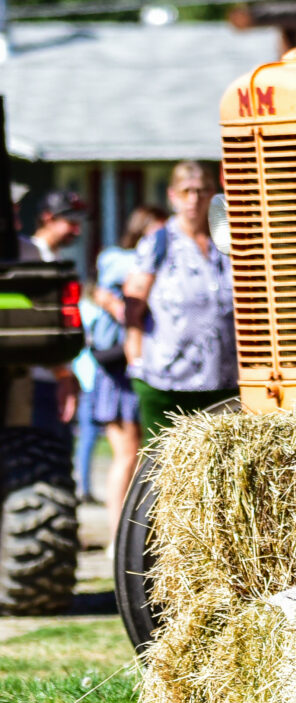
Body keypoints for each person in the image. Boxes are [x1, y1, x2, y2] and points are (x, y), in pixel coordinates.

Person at [120, 164, 235, 441]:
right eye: (186, 192)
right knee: (166, 470)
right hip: (168, 383)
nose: (194, 199)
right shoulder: (158, 242)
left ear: (213, 194)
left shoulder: (229, 240)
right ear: (173, 196)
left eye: (202, 191)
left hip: (224, 379)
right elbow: (133, 308)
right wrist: (135, 362)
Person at [77, 206, 159, 506]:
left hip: (137, 368)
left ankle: (129, 535)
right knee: (126, 455)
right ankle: (118, 538)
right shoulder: (121, 260)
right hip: (117, 369)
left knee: (139, 456)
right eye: (159, 233)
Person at [18, 189, 85, 437]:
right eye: (70, 222)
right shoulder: (30, 257)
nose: (76, 230)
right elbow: (33, 323)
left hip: (53, 375)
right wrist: (62, 372)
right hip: (35, 377)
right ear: (48, 218)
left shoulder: (56, 259)